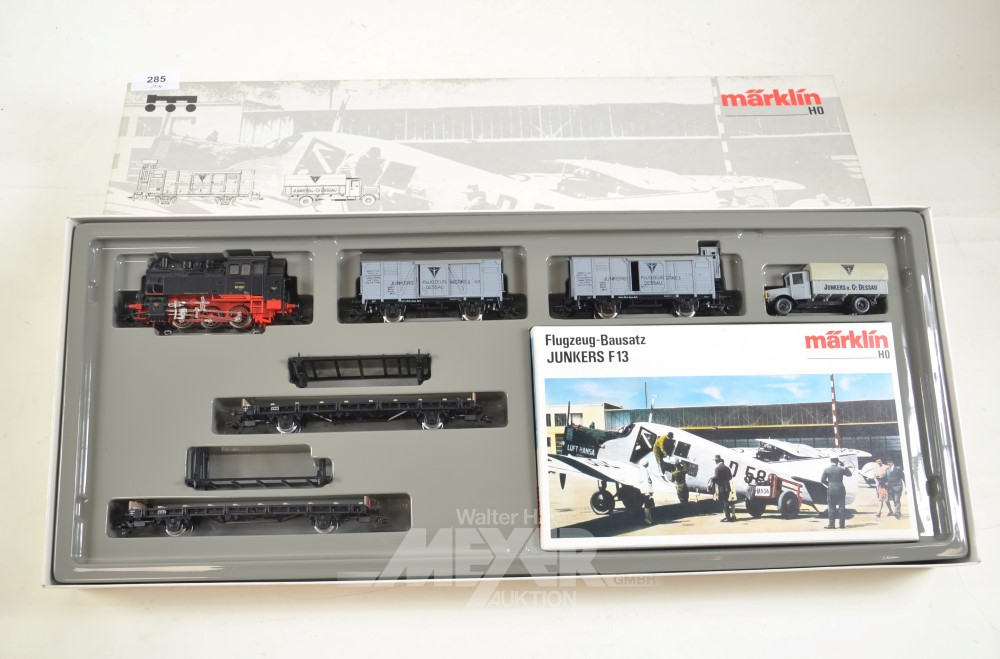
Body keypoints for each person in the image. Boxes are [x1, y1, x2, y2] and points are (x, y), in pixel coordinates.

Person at [821, 457, 851, 529]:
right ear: (837, 462)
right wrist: (845, 466)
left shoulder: (827, 469)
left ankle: (831, 525)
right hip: (841, 490)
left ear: (831, 461)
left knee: (831, 508)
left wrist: (830, 484)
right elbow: (849, 474)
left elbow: (822, 480)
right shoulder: (841, 469)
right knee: (841, 508)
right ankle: (842, 525)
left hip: (831, 491)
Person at [708, 455, 736, 522]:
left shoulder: (717, 468)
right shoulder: (727, 468)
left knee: (723, 502)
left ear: (717, 461)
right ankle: (727, 516)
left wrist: (711, 479)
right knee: (726, 501)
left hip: (721, 487)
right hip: (727, 487)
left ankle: (727, 517)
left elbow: (716, 477)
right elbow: (730, 477)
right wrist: (725, 480)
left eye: (715, 461)